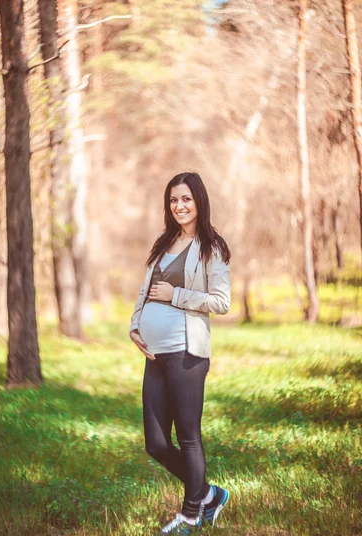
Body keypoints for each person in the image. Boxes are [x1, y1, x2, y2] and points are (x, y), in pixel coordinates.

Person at [129, 172, 231, 535]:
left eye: (186, 199)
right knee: (156, 443)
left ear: (199, 201)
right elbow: (146, 290)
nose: (179, 206)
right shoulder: (164, 242)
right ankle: (208, 495)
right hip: (155, 355)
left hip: (187, 353)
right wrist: (135, 324)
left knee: (188, 436)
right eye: (173, 200)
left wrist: (175, 296)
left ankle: (190, 514)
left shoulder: (211, 247)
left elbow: (221, 302)